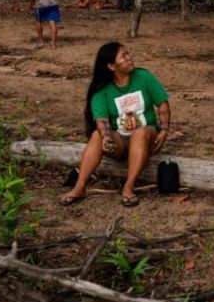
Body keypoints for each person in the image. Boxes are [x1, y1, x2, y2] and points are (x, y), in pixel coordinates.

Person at [62, 43, 170, 207]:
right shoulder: (102, 90)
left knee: (139, 133)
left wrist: (164, 129)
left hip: (147, 137)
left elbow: (162, 104)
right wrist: (106, 137)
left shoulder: (144, 77)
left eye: (128, 54)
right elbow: (102, 121)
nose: (129, 58)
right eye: (123, 57)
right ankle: (80, 186)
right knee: (97, 135)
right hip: (120, 140)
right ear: (111, 66)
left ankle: (128, 187)